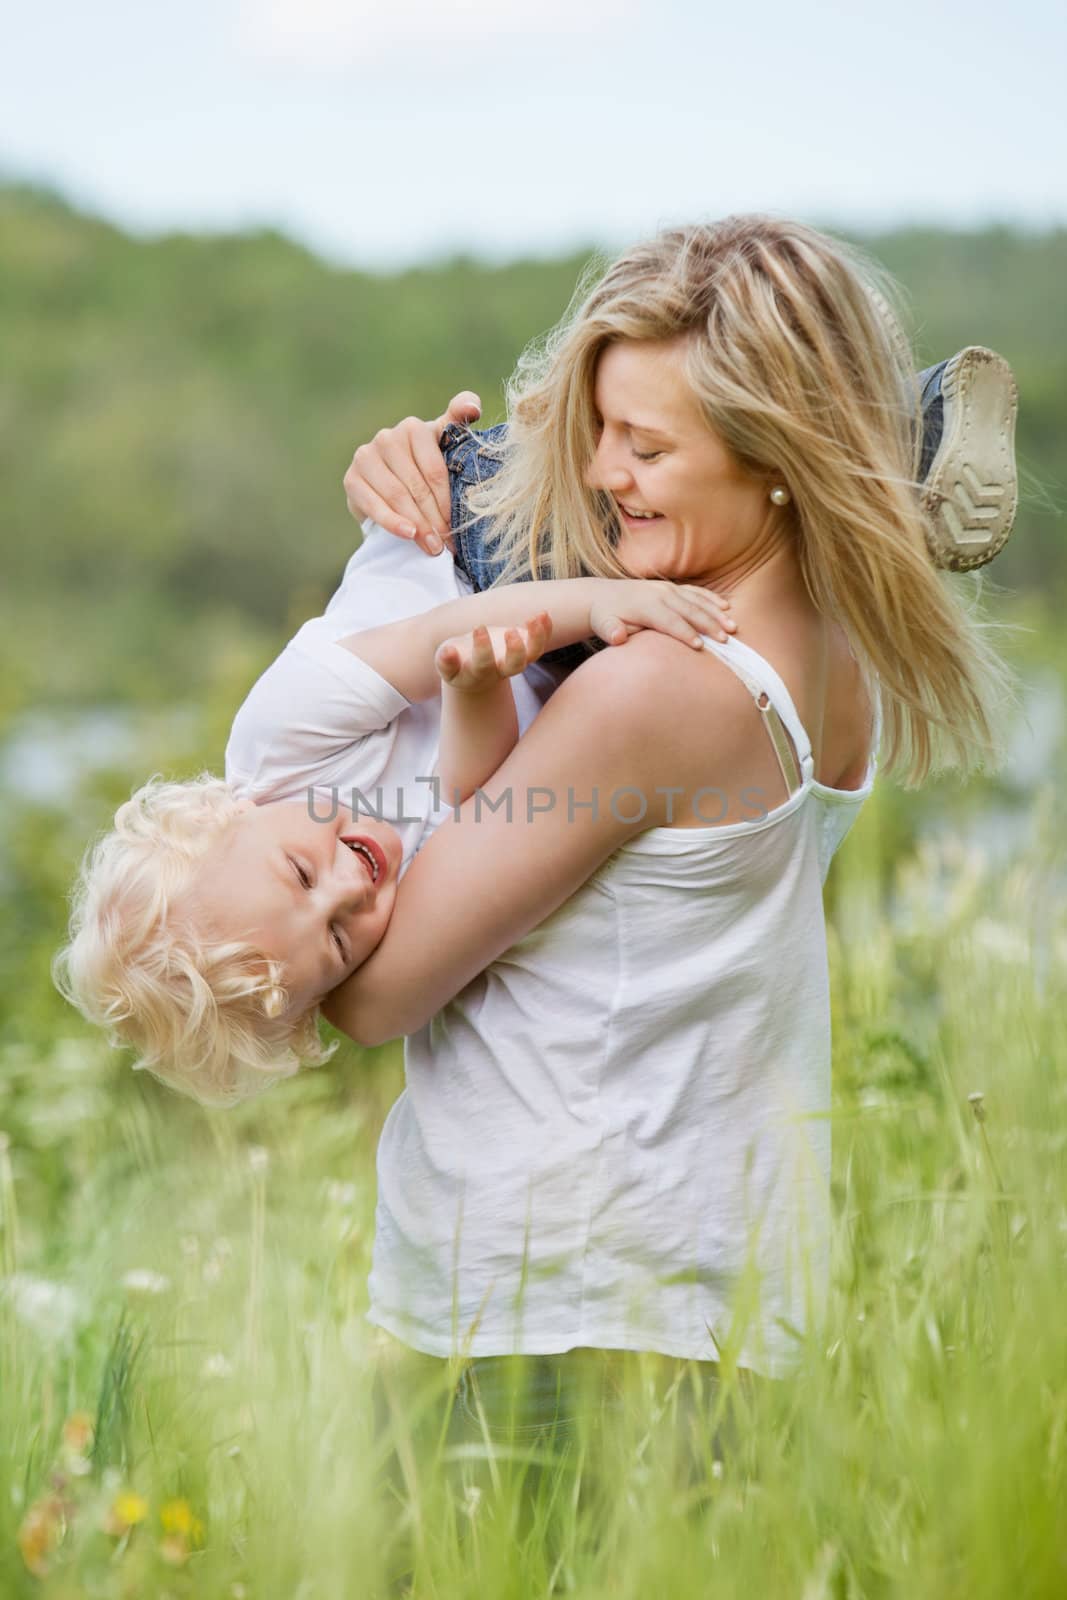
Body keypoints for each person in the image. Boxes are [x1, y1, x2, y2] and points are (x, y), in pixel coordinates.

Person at [326, 216, 1018, 1451]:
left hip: (555, 1315)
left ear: (780, 459)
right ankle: (488, 484)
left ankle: (466, 496)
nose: (601, 473)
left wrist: (392, 554)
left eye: (645, 445)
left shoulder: (651, 696)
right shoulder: (834, 653)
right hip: (709, 1299)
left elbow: (374, 995)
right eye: (594, 431)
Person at [53, 525, 733, 1108]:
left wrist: (609, 600)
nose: (349, 889)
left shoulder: (277, 737)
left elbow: (441, 633)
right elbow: (479, 796)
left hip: (480, 556)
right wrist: (473, 691)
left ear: (226, 815)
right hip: (540, 658)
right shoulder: (382, 916)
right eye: (337, 942)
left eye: (299, 874)